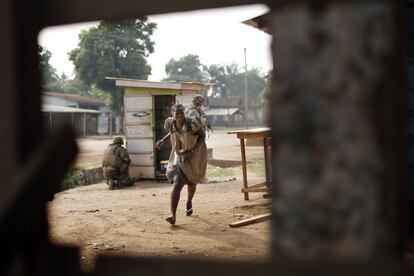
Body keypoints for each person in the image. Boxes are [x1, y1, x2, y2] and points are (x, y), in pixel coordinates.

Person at [162, 103, 207, 225]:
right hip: (180, 152)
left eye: (181, 113)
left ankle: (189, 201)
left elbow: (202, 136)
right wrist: (163, 140)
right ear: (173, 114)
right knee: (178, 182)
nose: (179, 116)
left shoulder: (192, 123)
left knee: (192, 183)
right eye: (177, 113)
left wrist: (192, 151)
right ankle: (173, 215)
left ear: (184, 113)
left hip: (196, 152)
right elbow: (172, 132)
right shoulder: (170, 123)